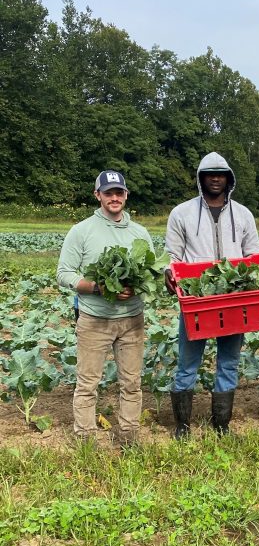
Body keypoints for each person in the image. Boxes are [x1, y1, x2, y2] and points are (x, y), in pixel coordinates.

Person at [164, 152, 259, 437]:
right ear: (201, 178)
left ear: (229, 179)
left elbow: (253, 255)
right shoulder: (181, 213)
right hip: (198, 300)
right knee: (188, 363)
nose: (215, 178)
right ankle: (182, 425)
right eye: (210, 174)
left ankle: (221, 426)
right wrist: (170, 272)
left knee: (228, 362)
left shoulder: (242, 214)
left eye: (221, 174)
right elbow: (172, 255)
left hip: (233, 300)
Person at [57, 170, 152, 446]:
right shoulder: (82, 230)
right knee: (88, 384)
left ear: (126, 195)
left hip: (132, 319)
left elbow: (147, 274)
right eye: (108, 192)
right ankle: (85, 440)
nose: (114, 197)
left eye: (118, 192)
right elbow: (64, 273)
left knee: (132, 383)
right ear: (97, 195)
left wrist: (137, 286)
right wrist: (100, 287)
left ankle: (128, 437)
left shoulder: (140, 232)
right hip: (95, 319)